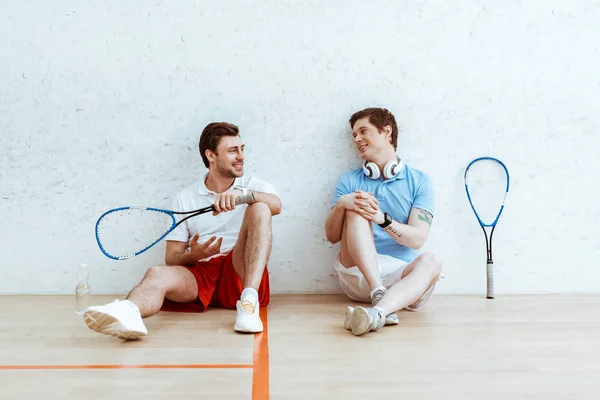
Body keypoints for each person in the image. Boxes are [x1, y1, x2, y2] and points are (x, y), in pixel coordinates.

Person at [83, 122, 281, 340]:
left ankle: (248, 303)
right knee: (156, 273)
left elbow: (276, 205)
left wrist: (242, 195)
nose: (241, 156)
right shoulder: (184, 198)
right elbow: (171, 258)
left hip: (240, 270)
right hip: (201, 274)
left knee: (261, 207)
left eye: (242, 149)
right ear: (211, 155)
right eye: (232, 151)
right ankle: (129, 313)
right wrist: (194, 255)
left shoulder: (255, 185)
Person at [324, 107, 442, 336]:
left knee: (433, 260)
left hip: (402, 280)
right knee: (356, 206)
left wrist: (383, 220)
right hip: (359, 275)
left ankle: (377, 313)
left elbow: (417, 239)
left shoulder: (419, 181)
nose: (357, 139)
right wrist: (341, 205)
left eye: (363, 131)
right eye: (354, 135)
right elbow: (331, 236)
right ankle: (378, 291)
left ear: (386, 131)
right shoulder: (349, 181)